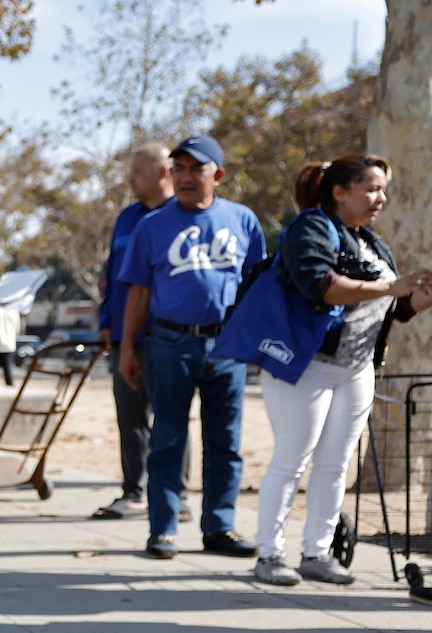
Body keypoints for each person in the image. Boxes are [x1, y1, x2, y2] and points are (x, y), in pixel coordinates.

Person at [253, 155, 432, 586]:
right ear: (340, 191)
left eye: (383, 189)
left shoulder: (371, 240)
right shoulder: (312, 228)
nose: (381, 198)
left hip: (355, 369)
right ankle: (268, 555)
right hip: (305, 364)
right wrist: (392, 285)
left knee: (334, 464)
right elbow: (322, 285)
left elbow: (397, 310)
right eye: (371, 188)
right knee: (291, 460)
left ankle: (316, 552)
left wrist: (417, 293)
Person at [118, 135, 265, 560]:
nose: (183, 177)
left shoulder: (242, 220)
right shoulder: (152, 226)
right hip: (168, 343)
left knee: (225, 442)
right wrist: (128, 348)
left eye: (194, 169)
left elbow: (257, 287)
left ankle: (219, 526)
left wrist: (255, 344)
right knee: (167, 438)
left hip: (227, 345)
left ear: (216, 175)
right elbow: (138, 293)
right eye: (177, 168)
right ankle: (162, 529)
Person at [95, 145, 192, 521]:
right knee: (130, 418)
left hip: (167, 337)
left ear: (163, 172)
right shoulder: (126, 219)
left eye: (137, 171)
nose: (130, 178)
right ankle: (133, 492)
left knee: (171, 418)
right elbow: (112, 278)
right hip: (124, 339)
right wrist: (107, 323)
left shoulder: (182, 216)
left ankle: (176, 497)